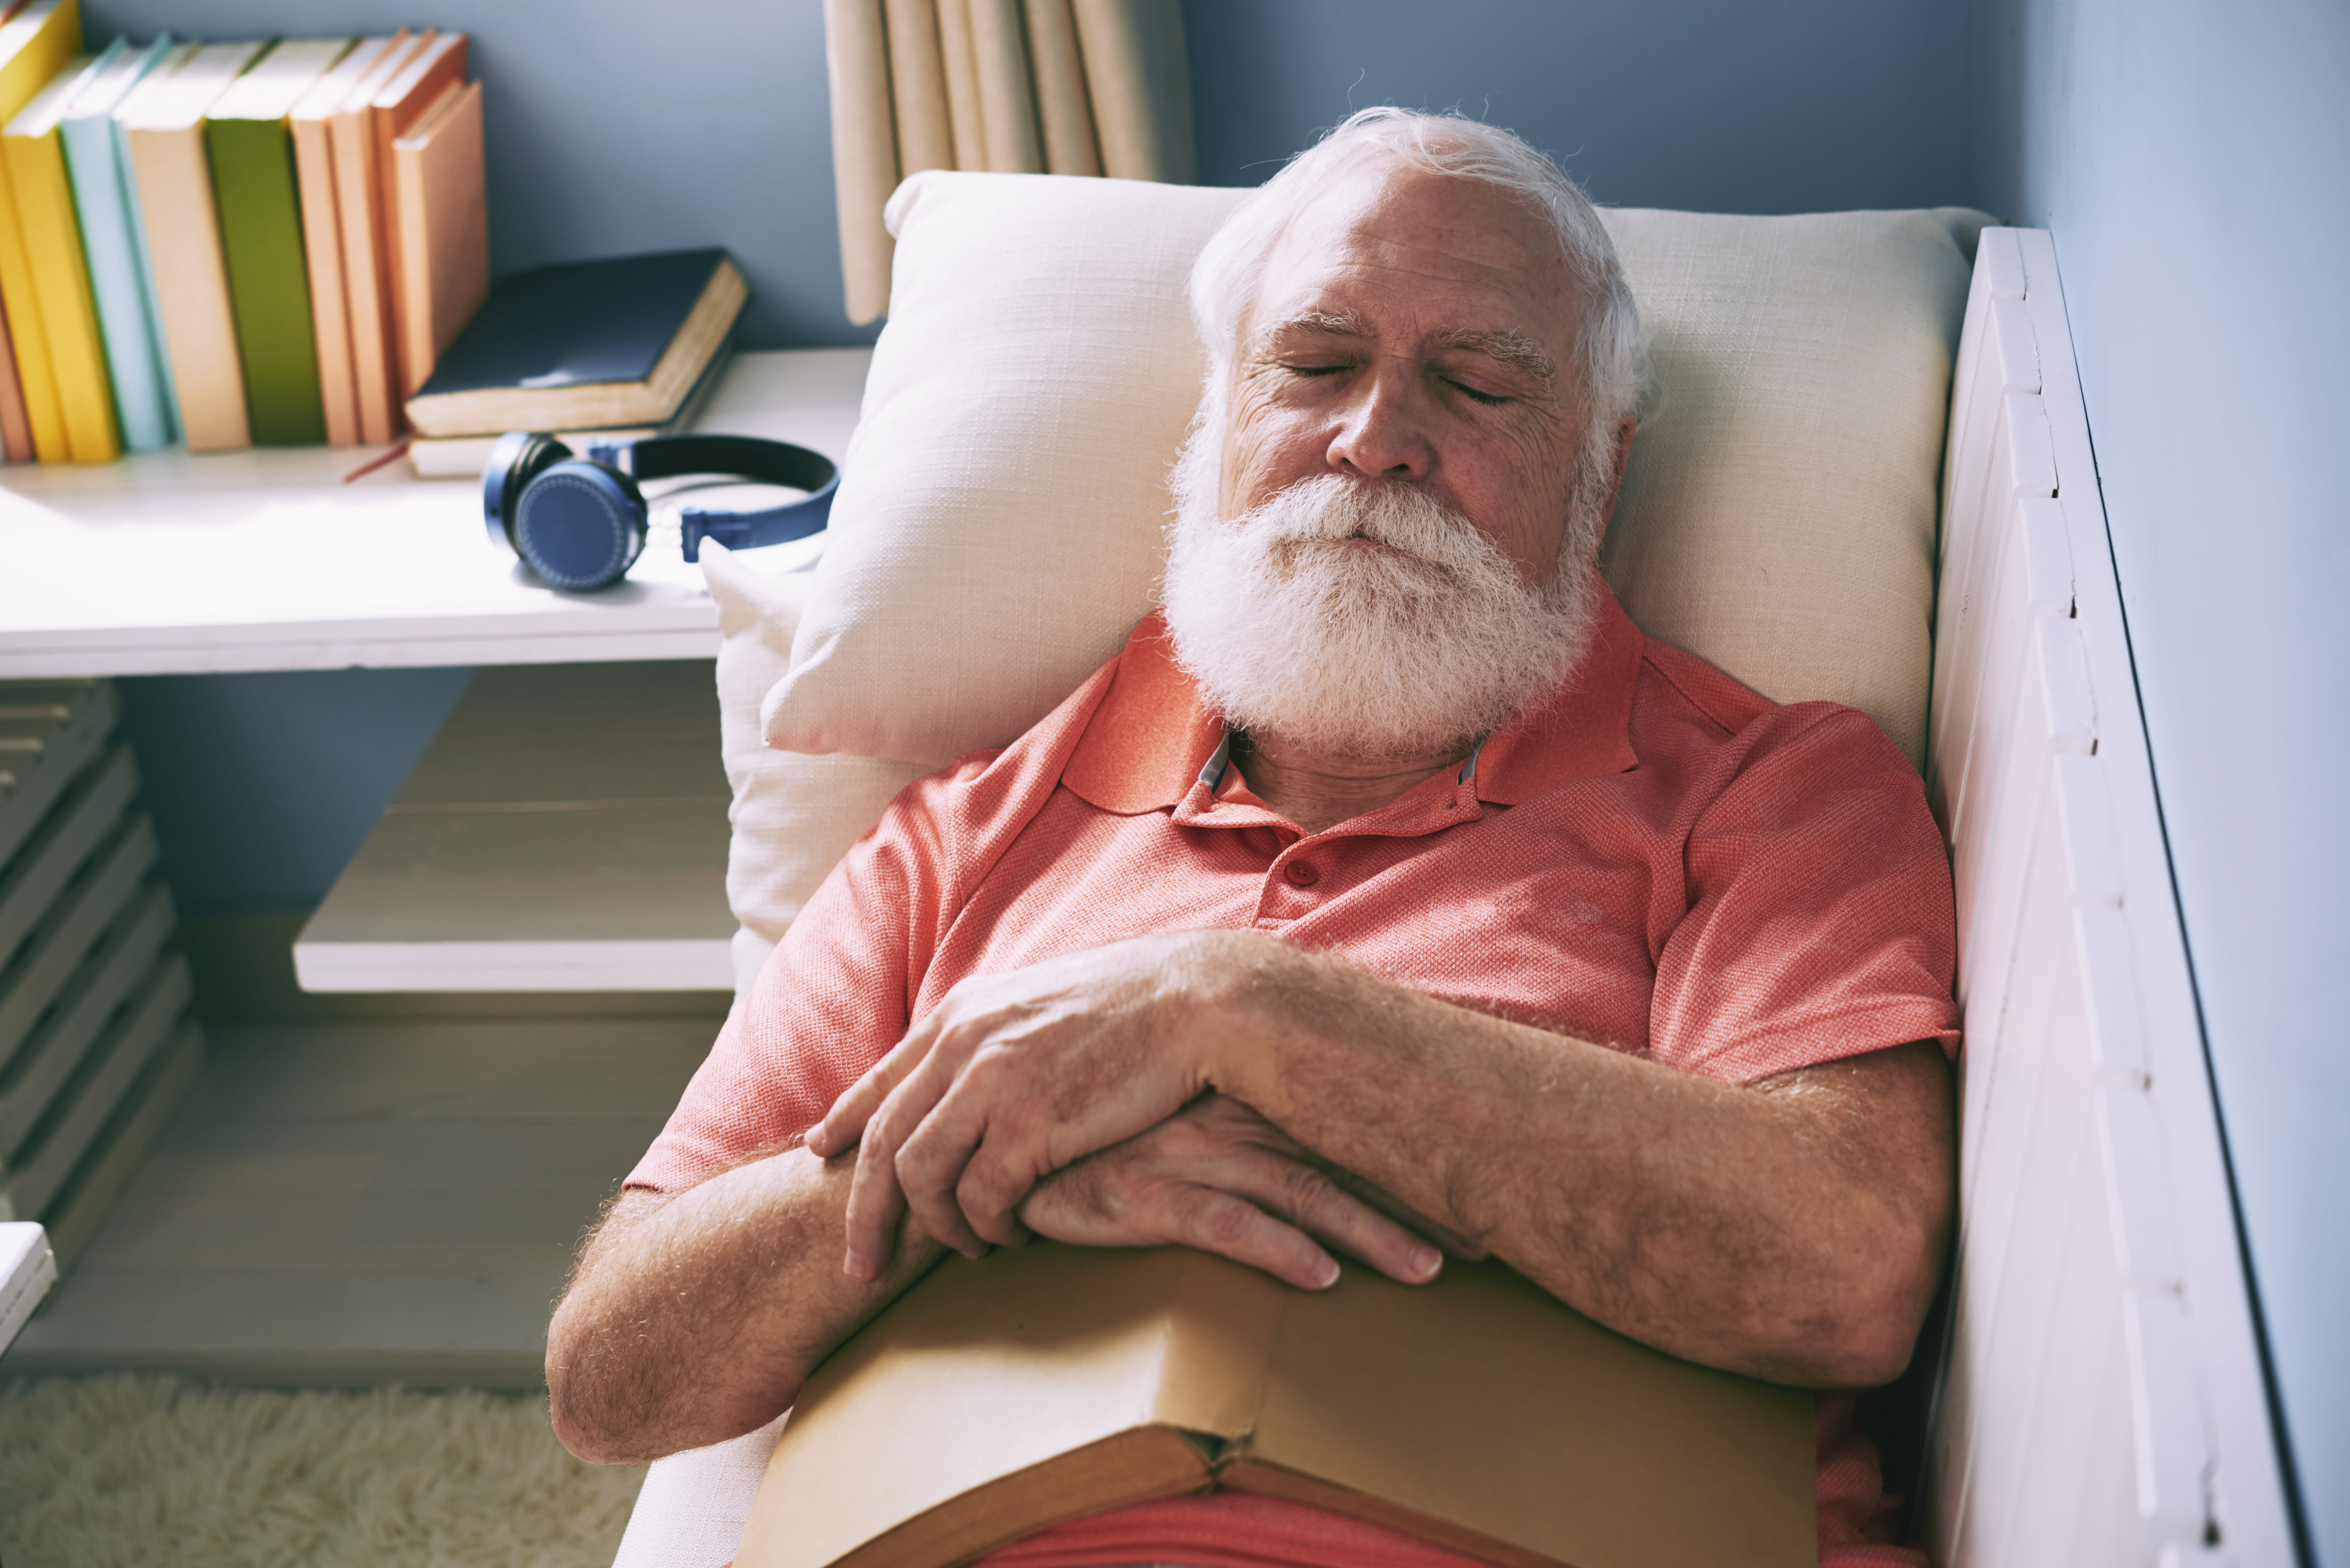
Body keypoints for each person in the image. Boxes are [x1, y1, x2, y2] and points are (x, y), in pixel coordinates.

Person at [547, 107, 1959, 1568]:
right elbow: (613, 1371)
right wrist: (986, 1164)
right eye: (1315, 365)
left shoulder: (1771, 787)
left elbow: (1842, 1270)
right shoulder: (963, 830)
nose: (1373, 440)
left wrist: (1245, 1008)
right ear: (1222, 413)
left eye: (1474, 384)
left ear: (1598, 470)